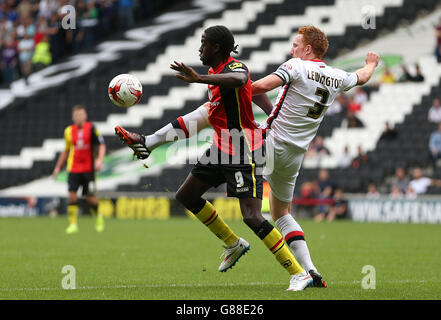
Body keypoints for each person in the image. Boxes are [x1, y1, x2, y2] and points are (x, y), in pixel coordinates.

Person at [115, 26, 312, 292]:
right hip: (221, 148)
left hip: (244, 150)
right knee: (186, 196)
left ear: (217, 47)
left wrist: (198, 80)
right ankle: (233, 243)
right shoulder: (214, 76)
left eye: (204, 43)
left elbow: (241, 79)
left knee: (252, 216)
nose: (200, 48)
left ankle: (299, 273)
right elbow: (201, 115)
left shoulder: (235, 67)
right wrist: (151, 141)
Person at [250, 26, 378, 288]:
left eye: (296, 45)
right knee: (282, 213)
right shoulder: (336, 76)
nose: (292, 49)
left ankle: (228, 238)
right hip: (295, 155)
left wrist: (228, 90)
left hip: (270, 142)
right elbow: (363, 77)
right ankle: (310, 271)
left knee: (215, 134)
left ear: (307, 49)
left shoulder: (296, 66)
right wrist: (371, 63)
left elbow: (261, 86)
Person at [52, 105, 106, 234]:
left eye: (81, 115)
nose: (79, 117)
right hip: (73, 168)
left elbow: (101, 145)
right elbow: (66, 151)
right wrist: (58, 167)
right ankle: (73, 224)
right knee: (72, 196)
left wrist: (99, 160)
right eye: (76, 115)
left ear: (85, 116)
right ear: (73, 117)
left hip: (89, 169)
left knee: (90, 197)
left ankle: (98, 217)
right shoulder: (69, 131)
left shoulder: (92, 128)